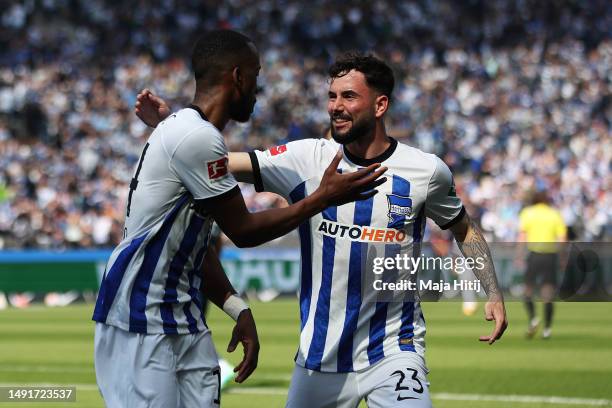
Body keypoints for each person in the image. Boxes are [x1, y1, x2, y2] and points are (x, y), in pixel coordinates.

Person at [136, 53, 508, 408]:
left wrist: (492, 289)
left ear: (380, 106)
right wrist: (174, 129)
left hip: (395, 350)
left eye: (348, 96)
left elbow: (465, 229)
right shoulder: (306, 159)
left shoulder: (425, 171)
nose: (335, 106)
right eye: (331, 96)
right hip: (319, 357)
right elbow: (219, 161)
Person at [93, 31, 387, 408]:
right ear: (238, 77)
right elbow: (244, 231)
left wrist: (237, 308)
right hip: (137, 316)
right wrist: (321, 199)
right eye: (256, 75)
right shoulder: (195, 136)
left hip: (181, 317)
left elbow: (192, 246)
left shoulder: (191, 133)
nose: (258, 89)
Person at [517, 191, 567, 339]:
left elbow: (522, 236)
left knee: (527, 290)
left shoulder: (528, 213)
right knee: (548, 294)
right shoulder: (554, 214)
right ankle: (547, 329)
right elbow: (562, 239)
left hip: (534, 255)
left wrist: (519, 255)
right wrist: (563, 257)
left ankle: (533, 318)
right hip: (550, 256)